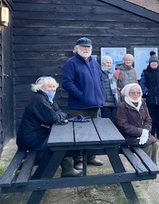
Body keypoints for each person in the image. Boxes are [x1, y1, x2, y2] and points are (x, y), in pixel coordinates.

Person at [16, 76, 82, 177]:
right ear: (41, 87)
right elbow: (53, 118)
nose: (53, 89)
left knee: (62, 140)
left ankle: (67, 169)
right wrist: (59, 116)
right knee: (62, 143)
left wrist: (59, 115)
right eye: (49, 87)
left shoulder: (47, 99)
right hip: (32, 141)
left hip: (36, 135)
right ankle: (63, 171)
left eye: (54, 87)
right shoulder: (39, 100)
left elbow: (58, 113)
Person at [62, 37, 104, 169]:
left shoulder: (95, 63)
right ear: (77, 48)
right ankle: (78, 160)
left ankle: (90, 156)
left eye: (88, 47)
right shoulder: (71, 63)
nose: (86, 49)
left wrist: (102, 95)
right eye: (83, 47)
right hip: (79, 105)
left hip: (95, 104)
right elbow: (67, 83)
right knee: (79, 134)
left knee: (93, 132)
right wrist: (81, 96)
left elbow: (101, 80)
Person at [115, 83, 159, 164]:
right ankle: (146, 169)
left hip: (144, 134)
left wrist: (145, 131)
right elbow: (123, 125)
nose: (136, 94)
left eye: (138, 92)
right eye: (133, 92)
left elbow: (148, 119)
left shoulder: (142, 102)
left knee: (155, 144)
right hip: (129, 137)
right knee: (147, 146)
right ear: (128, 93)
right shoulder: (122, 106)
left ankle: (153, 167)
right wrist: (141, 132)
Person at [140, 51, 159, 140]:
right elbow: (142, 83)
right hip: (150, 98)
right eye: (152, 63)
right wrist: (145, 91)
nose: (154, 64)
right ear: (150, 64)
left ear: (158, 63)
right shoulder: (145, 72)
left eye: (155, 63)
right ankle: (152, 134)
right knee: (151, 118)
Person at [100, 56, 120, 123]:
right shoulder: (100, 73)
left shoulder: (113, 74)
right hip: (105, 102)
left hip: (114, 101)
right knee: (105, 122)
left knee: (114, 121)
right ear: (103, 63)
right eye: (107, 62)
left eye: (110, 63)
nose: (109, 64)